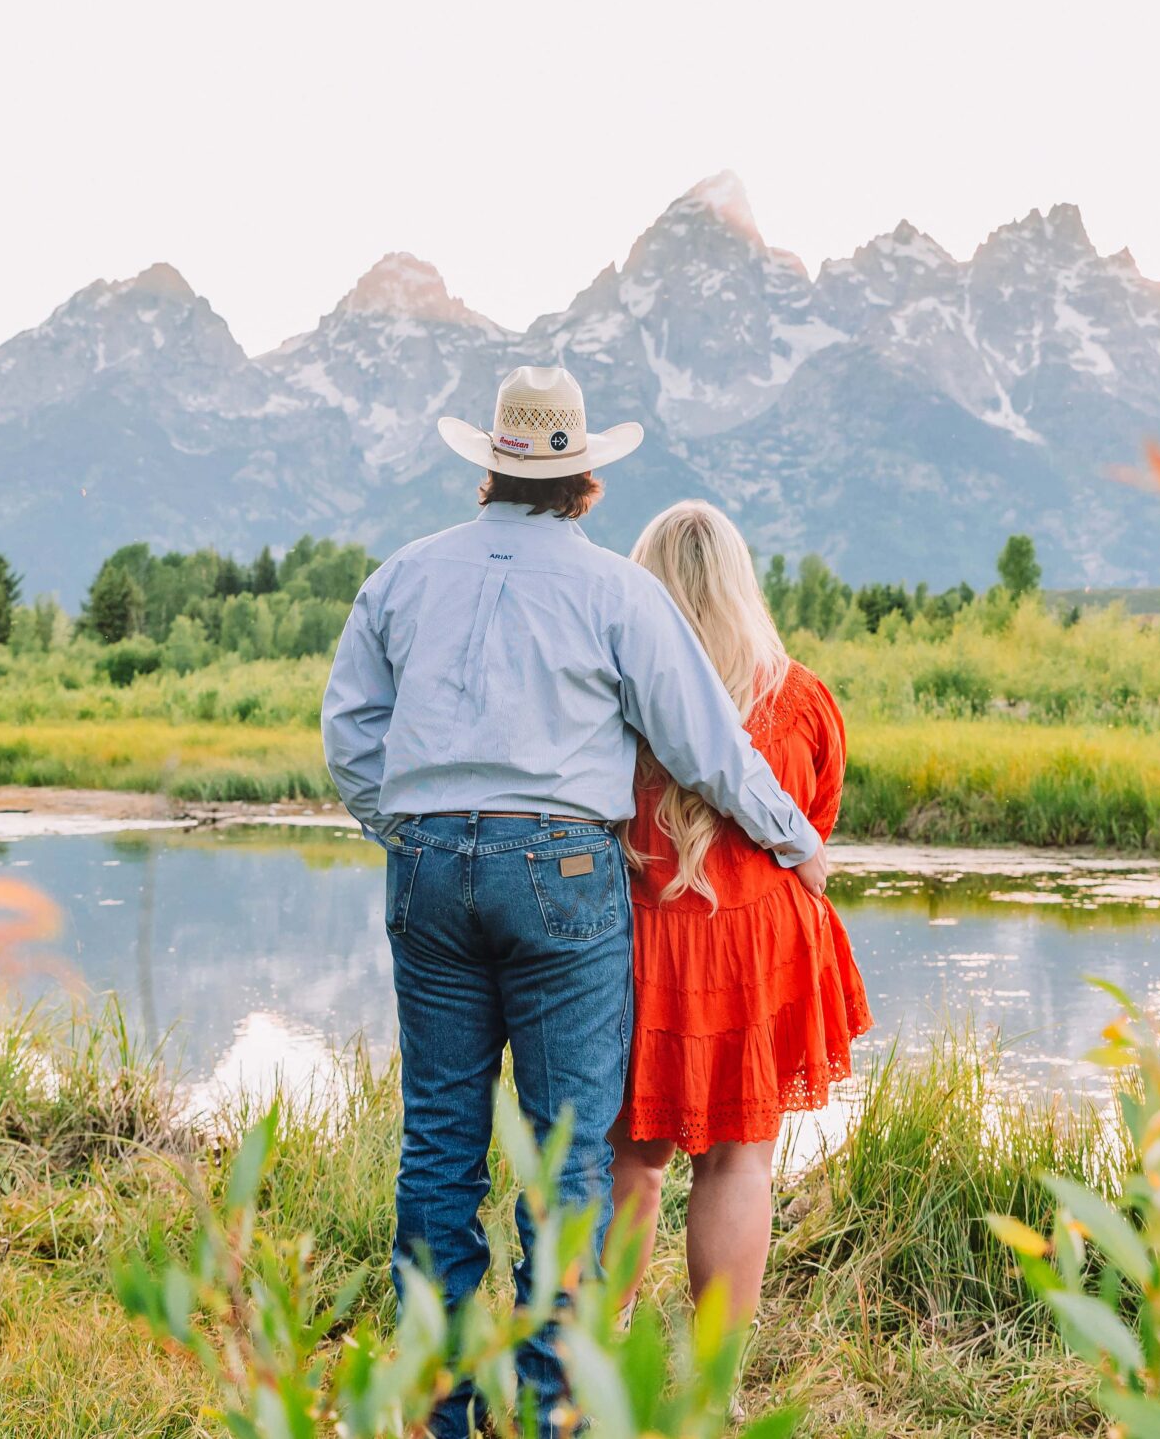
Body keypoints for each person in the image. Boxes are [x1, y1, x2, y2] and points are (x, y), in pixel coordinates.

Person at [322, 365, 833, 1439]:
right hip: (561, 869)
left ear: (487, 470)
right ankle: (553, 1410)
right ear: (586, 478)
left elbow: (350, 733)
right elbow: (706, 744)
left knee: (440, 1142)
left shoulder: (403, 575)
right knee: (571, 1153)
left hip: (425, 868)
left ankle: (441, 1403)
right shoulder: (616, 590)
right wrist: (795, 838)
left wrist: (404, 823)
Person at [604, 500, 871, 1325]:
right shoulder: (800, 700)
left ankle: (580, 1359)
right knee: (739, 1164)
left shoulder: (614, 696)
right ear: (740, 584)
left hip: (642, 945)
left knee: (629, 1161)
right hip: (760, 947)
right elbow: (814, 828)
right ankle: (716, 1384)